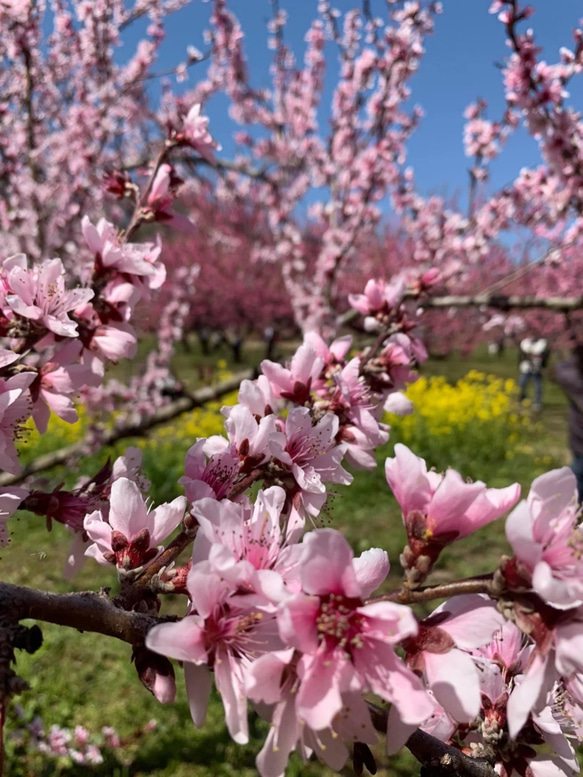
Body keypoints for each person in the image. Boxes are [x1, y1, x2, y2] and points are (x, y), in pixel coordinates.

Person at [555, 343, 583, 505]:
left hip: (579, 442)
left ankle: (573, 511)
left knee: (577, 479)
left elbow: (560, 367)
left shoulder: (572, 378)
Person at [518, 333, 550, 411]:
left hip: (536, 368)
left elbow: (544, 355)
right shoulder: (524, 343)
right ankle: (522, 399)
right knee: (522, 384)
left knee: (537, 386)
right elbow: (521, 355)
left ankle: (537, 402)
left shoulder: (542, 343)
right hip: (526, 367)